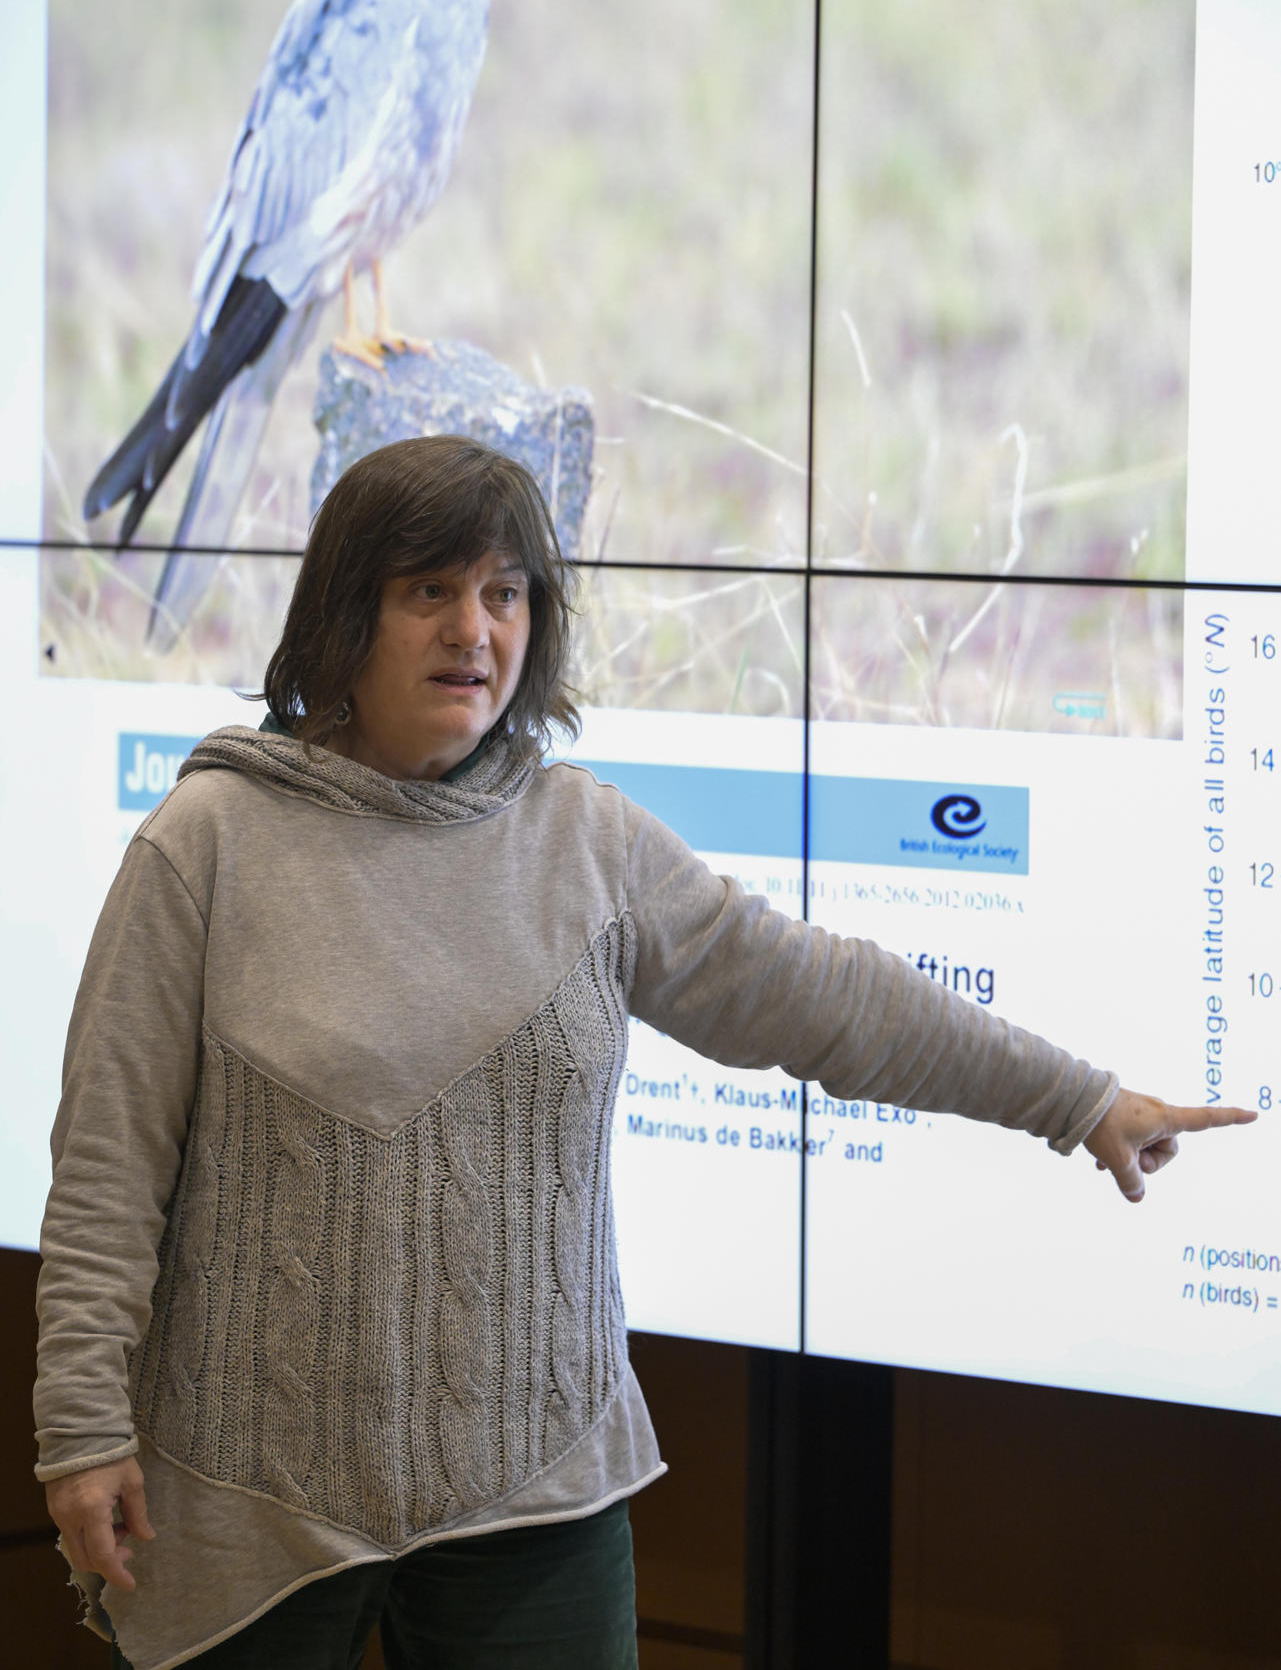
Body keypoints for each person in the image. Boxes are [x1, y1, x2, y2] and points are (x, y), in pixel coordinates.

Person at [35, 435, 1253, 1670]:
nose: (474, 630)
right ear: (347, 614)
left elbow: (823, 996)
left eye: (505, 594)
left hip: (540, 1488)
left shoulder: (588, 845)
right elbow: (106, 1172)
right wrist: (82, 1429)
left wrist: (1077, 1097)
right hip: (250, 1496)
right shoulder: (208, 843)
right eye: (429, 592)